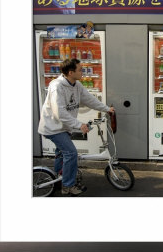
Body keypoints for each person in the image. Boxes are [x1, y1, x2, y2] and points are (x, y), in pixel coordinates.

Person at [38, 59, 115, 196]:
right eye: (80, 69)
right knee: (71, 153)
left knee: (61, 153)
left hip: (63, 127)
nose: (83, 71)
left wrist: (106, 109)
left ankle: (58, 179)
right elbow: (59, 112)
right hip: (53, 128)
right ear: (70, 72)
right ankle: (68, 186)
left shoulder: (76, 84)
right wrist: (79, 125)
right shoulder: (57, 87)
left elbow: (89, 99)